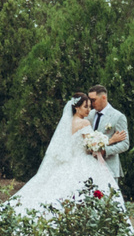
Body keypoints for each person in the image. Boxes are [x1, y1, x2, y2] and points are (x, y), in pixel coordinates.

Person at [7, 85, 124, 215]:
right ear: (76, 107)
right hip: (84, 161)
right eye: (86, 107)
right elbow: (91, 145)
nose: (89, 110)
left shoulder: (69, 123)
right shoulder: (84, 123)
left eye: (90, 106)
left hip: (71, 161)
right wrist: (111, 140)